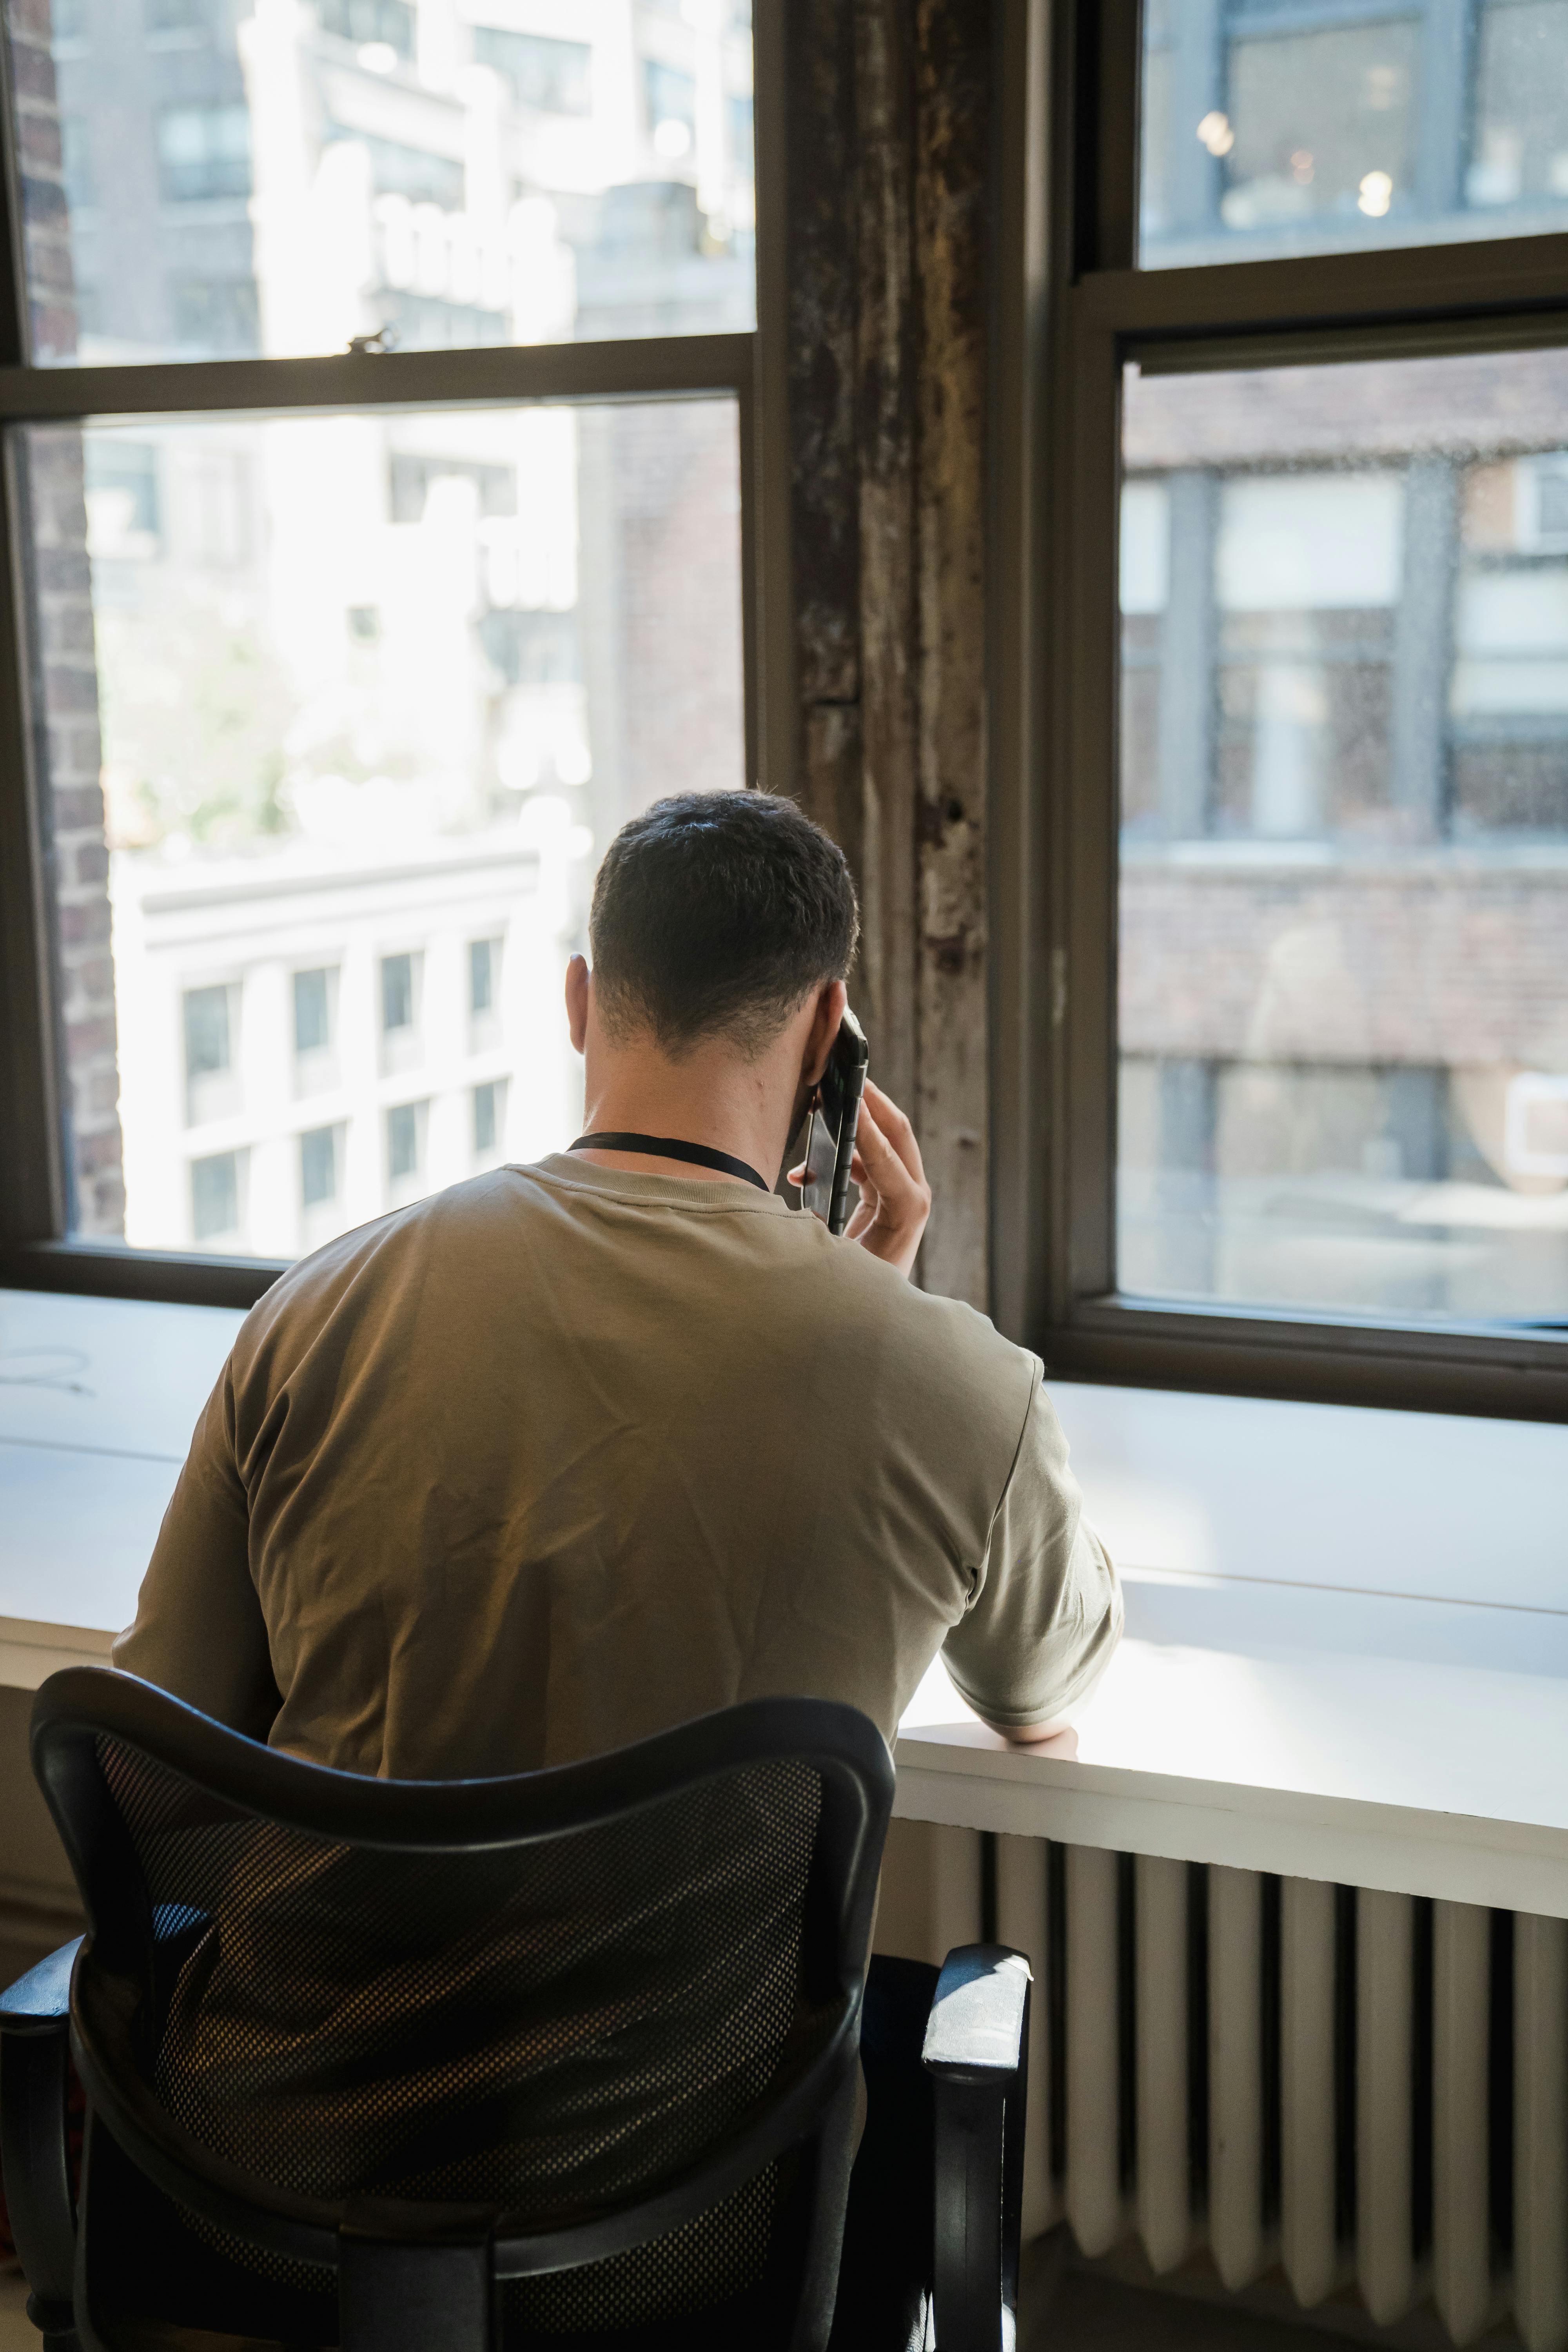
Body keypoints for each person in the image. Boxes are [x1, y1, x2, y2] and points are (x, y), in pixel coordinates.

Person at [114, 788, 1121, 2348]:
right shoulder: (951, 1384)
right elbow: (1041, 1694)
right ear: (831, 1032)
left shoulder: (318, 1308)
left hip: (269, 2192)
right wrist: (874, 1319)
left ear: (582, 1001)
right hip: (678, 2236)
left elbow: (153, 1771)